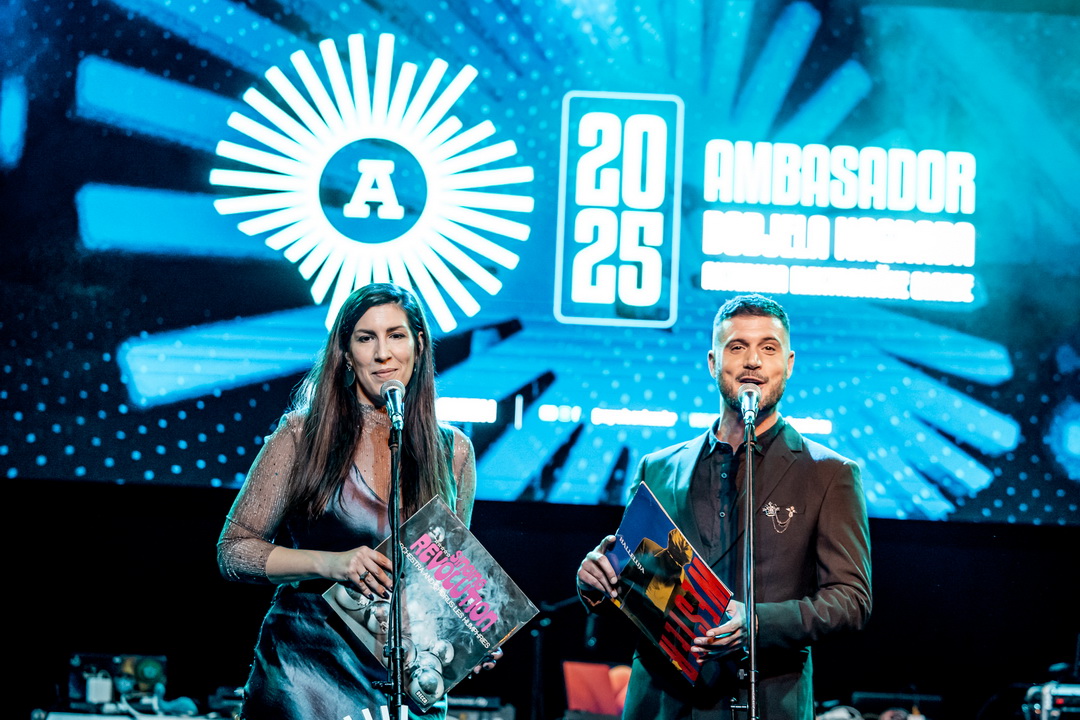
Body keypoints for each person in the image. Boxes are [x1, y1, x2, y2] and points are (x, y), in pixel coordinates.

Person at [577, 293, 872, 720]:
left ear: (788, 364)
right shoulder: (657, 468)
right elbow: (637, 593)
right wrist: (597, 583)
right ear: (713, 362)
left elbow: (850, 601)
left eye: (768, 348)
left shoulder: (829, 473)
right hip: (661, 704)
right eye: (737, 347)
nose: (753, 361)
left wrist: (756, 622)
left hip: (766, 701)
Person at [217, 283, 495, 720]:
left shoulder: (453, 451)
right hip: (307, 672)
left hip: (405, 679)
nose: (383, 353)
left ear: (419, 345)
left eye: (396, 335)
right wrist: (331, 564)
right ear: (347, 354)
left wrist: (467, 637)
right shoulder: (302, 435)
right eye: (366, 338)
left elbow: (444, 579)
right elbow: (234, 552)